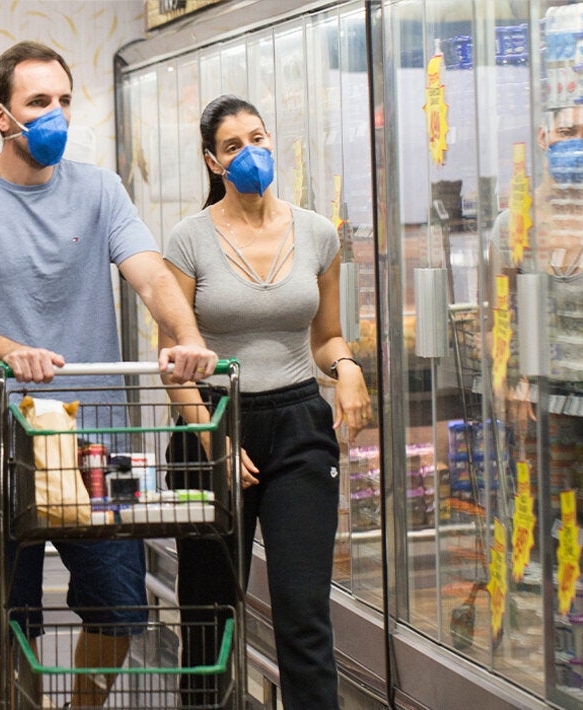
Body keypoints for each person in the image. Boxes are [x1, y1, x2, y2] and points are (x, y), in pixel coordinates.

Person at [0, 41, 217, 706]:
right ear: (2, 115)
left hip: (97, 444)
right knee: (5, 616)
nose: (55, 115)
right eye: (38, 104)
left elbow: (149, 274)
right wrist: (8, 350)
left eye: (62, 102)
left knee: (119, 607)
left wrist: (188, 335)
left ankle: (82, 706)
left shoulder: (100, 190)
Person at [160, 94, 373, 710]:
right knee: (208, 614)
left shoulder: (316, 233)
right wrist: (213, 443)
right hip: (211, 424)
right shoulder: (188, 239)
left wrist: (349, 368)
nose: (251, 153)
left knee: (304, 616)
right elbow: (173, 361)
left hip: (299, 425)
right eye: (233, 146)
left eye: (258, 138)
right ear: (213, 160)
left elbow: (327, 336)